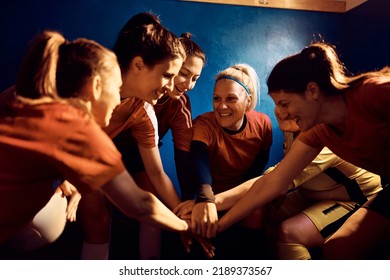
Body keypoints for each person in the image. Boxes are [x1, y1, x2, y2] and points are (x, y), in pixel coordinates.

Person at [0, 30, 188, 252]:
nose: (118, 100)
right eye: (115, 89)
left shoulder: (29, 101)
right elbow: (140, 205)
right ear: (96, 87)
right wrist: (185, 227)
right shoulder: (80, 131)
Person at [216, 41, 390, 259]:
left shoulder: (371, 93)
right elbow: (273, 181)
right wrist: (218, 225)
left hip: (358, 195)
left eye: (285, 103)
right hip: (360, 192)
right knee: (337, 249)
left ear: (312, 90)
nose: (280, 113)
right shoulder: (317, 132)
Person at [78, 12, 186, 260]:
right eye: (167, 75)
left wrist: (182, 218)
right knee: (44, 224)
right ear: (138, 65)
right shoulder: (80, 83)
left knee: (97, 211)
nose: (171, 88)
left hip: (77, 164)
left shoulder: (142, 111)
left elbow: (156, 175)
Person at [175, 63, 273, 259]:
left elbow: (258, 166)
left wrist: (242, 197)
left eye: (231, 99)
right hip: (209, 196)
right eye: (217, 98)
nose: (222, 106)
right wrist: (205, 199)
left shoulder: (263, 124)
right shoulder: (203, 123)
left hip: (239, 196)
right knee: (188, 220)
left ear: (248, 101)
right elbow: (199, 160)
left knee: (256, 211)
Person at [262, 106, 382, 259]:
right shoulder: (291, 127)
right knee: (269, 211)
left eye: (294, 104)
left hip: (354, 199)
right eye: (281, 103)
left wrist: (221, 202)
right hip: (315, 191)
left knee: (290, 232)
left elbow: (275, 178)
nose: (283, 111)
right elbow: (280, 176)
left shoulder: (325, 136)